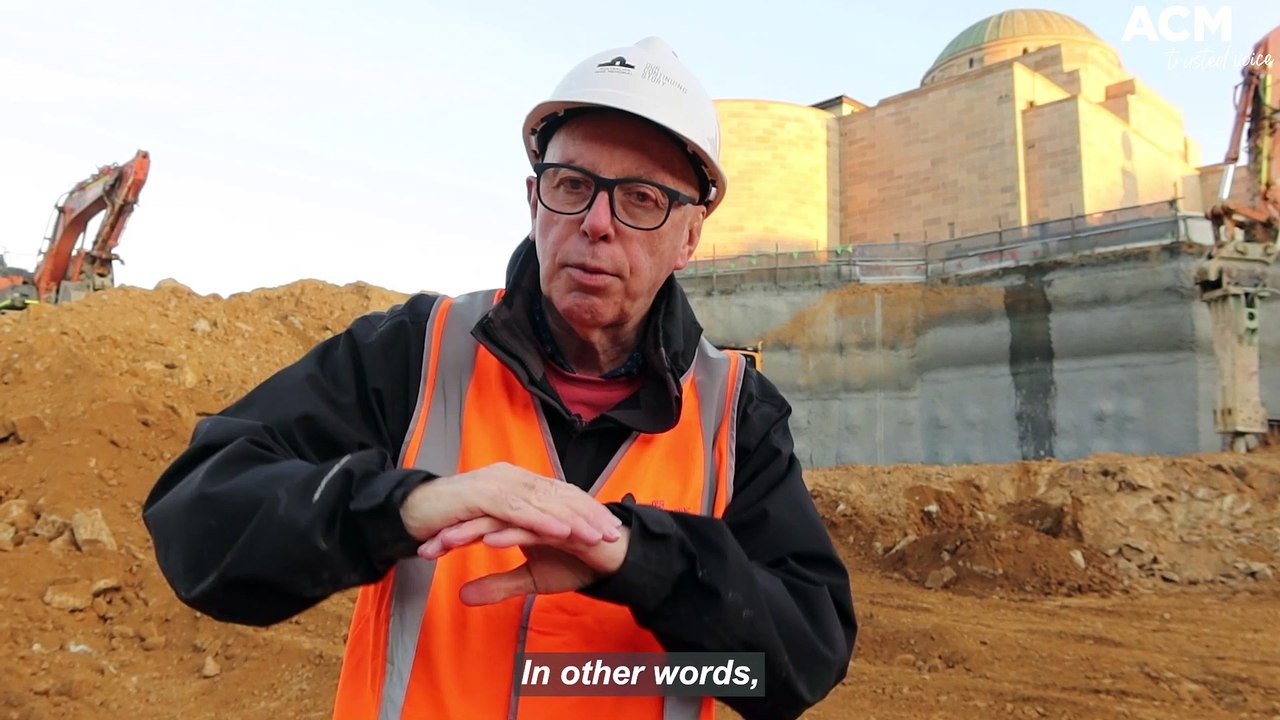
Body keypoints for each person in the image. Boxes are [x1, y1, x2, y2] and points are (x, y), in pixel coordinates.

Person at [143, 36, 855, 720]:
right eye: (572, 185)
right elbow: (200, 526)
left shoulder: (736, 415)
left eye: (641, 198)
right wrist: (403, 510)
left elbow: (793, 668)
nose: (597, 223)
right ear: (534, 200)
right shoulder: (414, 354)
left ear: (690, 236)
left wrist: (639, 565)